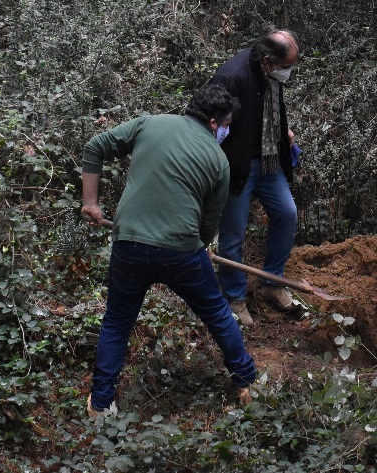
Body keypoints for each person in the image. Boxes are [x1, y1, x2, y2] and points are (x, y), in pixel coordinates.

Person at [80, 84, 257, 417]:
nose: (227, 131)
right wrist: (201, 247)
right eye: (227, 125)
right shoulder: (219, 160)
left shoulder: (149, 123)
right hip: (181, 253)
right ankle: (246, 382)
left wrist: (91, 203)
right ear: (215, 123)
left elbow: (95, 146)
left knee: (117, 321)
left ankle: (100, 405)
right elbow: (208, 222)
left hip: (129, 245)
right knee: (218, 313)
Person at [209, 30, 300, 326]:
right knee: (233, 234)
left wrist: (282, 131)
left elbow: (269, 110)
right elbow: (207, 120)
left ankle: (272, 283)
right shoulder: (232, 76)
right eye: (286, 66)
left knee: (287, 214)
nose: (288, 72)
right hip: (238, 166)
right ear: (268, 59)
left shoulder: (270, 73)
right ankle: (234, 297)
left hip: (269, 161)